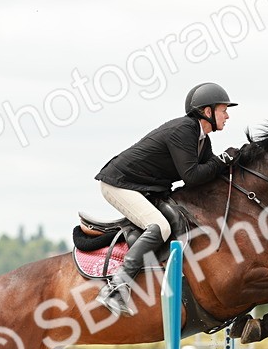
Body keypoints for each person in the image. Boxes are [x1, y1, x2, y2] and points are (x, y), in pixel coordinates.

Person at [93, 82, 239, 316]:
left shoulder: (203, 140)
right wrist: (222, 159)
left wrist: (235, 162)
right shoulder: (184, 130)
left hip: (145, 187)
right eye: (223, 109)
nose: (228, 115)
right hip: (120, 185)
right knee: (159, 226)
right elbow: (192, 177)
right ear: (207, 111)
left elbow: (208, 177)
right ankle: (116, 287)